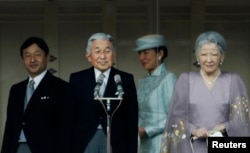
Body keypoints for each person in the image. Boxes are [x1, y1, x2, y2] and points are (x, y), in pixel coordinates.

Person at [160, 31, 250, 153]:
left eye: (214, 54)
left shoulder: (233, 80)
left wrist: (224, 127)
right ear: (197, 56)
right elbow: (176, 118)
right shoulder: (185, 79)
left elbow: (242, 119)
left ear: (223, 56)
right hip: (193, 146)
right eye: (203, 54)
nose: (208, 59)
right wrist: (194, 130)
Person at [69, 32, 138, 153]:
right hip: (85, 141)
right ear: (89, 56)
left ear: (114, 55)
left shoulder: (126, 79)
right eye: (97, 51)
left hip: (116, 142)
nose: (102, 56)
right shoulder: (77, 79)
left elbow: (131, 121)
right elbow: (69, 118)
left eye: (107, 51)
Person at [1, 37, 72, 153]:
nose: (32, 60)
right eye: (27, 56)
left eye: (37, 54)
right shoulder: (16, 90)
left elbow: (66, 130)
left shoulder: (62, 88)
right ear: (23, 59)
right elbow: (10, 128)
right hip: (17, 149)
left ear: (47, 57)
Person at [134, 34, 177, 153]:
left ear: (160, 53)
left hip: (161, 143)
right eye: (140, 53)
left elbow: (175, 116)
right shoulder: (142, 80)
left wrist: (147, 130)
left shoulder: (169, 78)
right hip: (143, 144)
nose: (142, 57)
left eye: (146, 53)